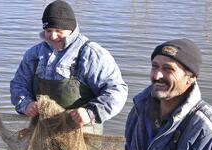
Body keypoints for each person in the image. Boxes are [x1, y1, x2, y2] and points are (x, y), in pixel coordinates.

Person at [10, 0, 128, 134]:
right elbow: (18, 84)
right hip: (43, 134)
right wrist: (25, 104)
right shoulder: (34, 54)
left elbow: (117, 90)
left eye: (58, 31)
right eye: (48, 30)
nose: (53, 36)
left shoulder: (90, 54)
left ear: (70, 29)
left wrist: (91, 113)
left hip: (83, 136)